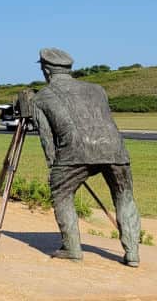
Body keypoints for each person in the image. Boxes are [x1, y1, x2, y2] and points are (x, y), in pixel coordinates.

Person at [18, 48, 142, 266]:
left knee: (62, 193)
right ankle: (132, 253)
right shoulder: (98, 89)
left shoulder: (41, 98)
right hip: (114, 149)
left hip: (74, 151)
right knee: (124, 196)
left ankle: (72, 248)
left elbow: (47, 141)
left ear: (46, 71)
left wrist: (55, 167)